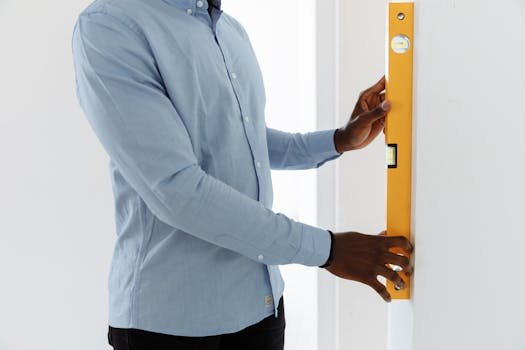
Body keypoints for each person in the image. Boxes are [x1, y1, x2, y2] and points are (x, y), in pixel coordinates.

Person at [72, 0, 413, 349]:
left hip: (260, 308)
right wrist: (328, 249)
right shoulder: (111, 26)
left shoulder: (229, 30)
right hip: (171, 325)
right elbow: (176, 190)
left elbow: (242, 140)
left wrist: (337, 140)